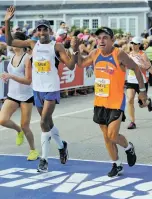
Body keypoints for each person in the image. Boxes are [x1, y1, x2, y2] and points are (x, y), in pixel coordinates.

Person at [4, 6, 79, 172]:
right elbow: (10, 42)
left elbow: (72, 66)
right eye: (40, 29)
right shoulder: (32, 44)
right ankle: (61, 145)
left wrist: (75, 49)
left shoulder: (56, 47)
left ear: (50, 31)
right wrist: (7, 22)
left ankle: (44, 160)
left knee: (44, 122)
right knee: (49, 123)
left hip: (51, 88)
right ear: (37, 32)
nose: (42, 31)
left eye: (45, 28)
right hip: (37, 90)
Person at [78, 27, 147, 177]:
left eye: (105, 38)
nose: (101, 41)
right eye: (99, 38)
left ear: (112, 40)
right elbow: (81, 64)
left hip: (116, 101)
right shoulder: (95, 53)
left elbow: (135, 68)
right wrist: (77, 50)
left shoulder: (118, 54)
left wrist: (142, 91)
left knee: (112, 135)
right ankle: (117, 164)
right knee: (106, 137)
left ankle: (128, 147)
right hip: (100, 102)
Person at [0, 32, 39, 161]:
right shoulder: (11, 56)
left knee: (25, 125)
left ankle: (33, 150)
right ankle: (18, 131)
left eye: (15, 40)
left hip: (26, 96)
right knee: (2, 120)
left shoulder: (27, 58)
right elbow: (11, 74)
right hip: (12, 95)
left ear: (21, 43)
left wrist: (11, 76)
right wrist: (6, 76)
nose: (12, 43)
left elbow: (28, 80)